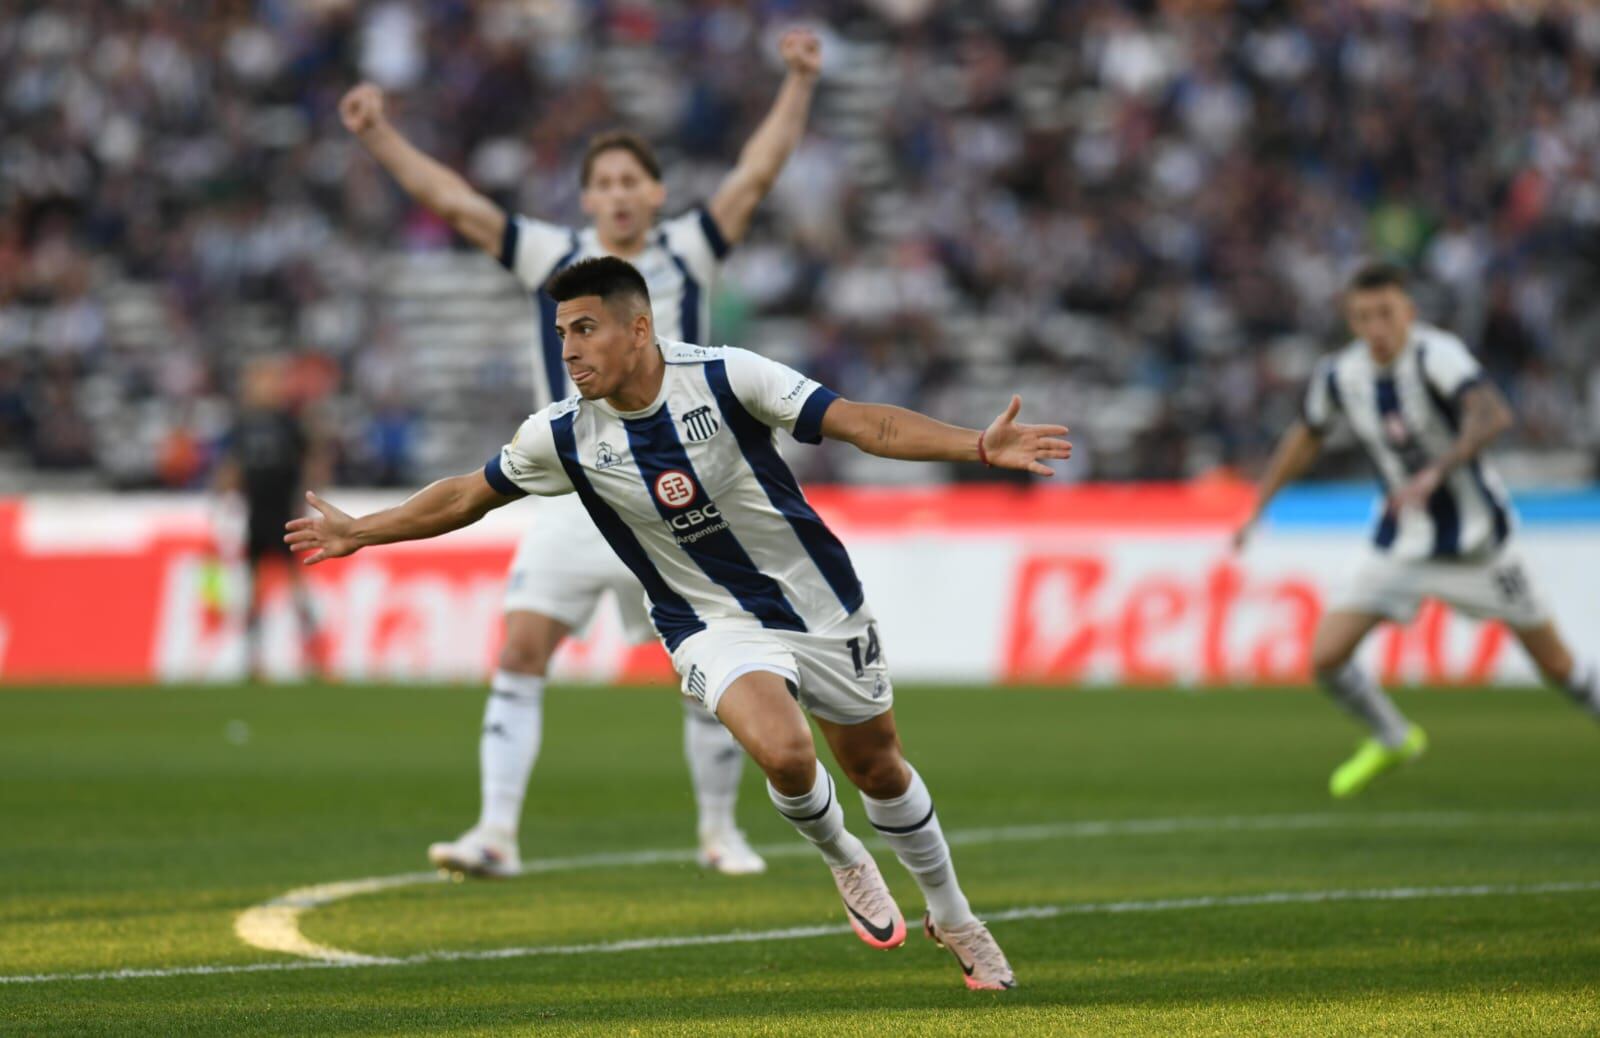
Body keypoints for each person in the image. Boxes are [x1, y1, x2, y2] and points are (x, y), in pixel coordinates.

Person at [287, 257, 1071, 989]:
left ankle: (954, 915)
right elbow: (466, 494)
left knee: (878, 768)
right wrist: (363, 530)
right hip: (705, 619)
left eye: (585, 329)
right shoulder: (563, 434)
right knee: (787, 754)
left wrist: (974, 445)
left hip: (820, 600)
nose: (569, 350)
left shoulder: (728, 377)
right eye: (561, 334)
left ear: (638, 329)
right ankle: (843, 856)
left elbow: (864, 424)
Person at [338, 29, 825, 877]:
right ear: (588, 198)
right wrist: (379, 134)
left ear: (657, 192)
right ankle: (494, 834)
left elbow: (757, 172)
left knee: (712, 664)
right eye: (603, 183)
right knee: (522, 647)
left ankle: (719, 831)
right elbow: (456, 204)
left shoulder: (688, 251)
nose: (619, 194)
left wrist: (798, 80)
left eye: (632, 180)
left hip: (683, 493)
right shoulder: (556, 259)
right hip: (577, 487)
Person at [1235, 262, 1599, 797]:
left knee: (1559, 667)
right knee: (1326, 657)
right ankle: (1393, 736)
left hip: (1480, 547)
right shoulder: (1341, 375)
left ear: (1409, 310)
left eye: (1386, 313)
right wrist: (1258, 505)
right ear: (1350, 320)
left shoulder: (1437, 355)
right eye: (1363, 317)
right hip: (1401, 542)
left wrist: (1439, 469)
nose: (1376, 328)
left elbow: (1492, 414)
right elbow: (1306, 436)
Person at [216, 355, 328, 680]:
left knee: (296, 585)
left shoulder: (288, 421)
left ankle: (313, 656)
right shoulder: (244, 423)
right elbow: (233, 464)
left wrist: (308, 497)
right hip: (256, 513)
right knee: (253, 588)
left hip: (285, 513)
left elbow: (311, 457)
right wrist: (223, 496)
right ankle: (253, 659)